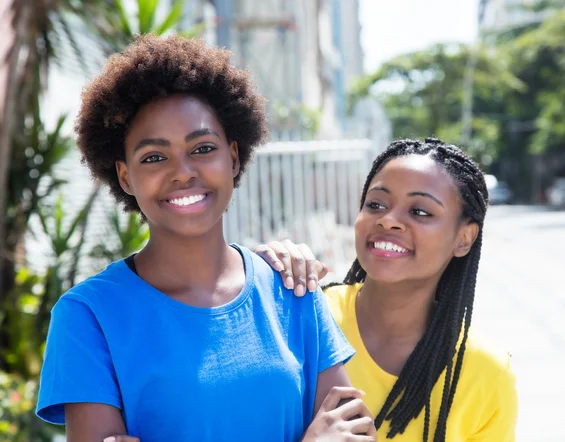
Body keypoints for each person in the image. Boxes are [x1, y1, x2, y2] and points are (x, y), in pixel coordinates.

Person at [35, 35, 377, 442]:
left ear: (233, 157)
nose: (183, 172)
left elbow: (352, 432)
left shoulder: (293, 290)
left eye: (202, 148)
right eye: (154, 157)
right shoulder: (88, 315)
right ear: (125, 175)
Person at [255, 138, 518, 441]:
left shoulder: (486, 372)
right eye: (376, 204)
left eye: (420, 211)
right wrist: (253, 278)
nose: (389, 220)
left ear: (464, 239)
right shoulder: (300, 316)